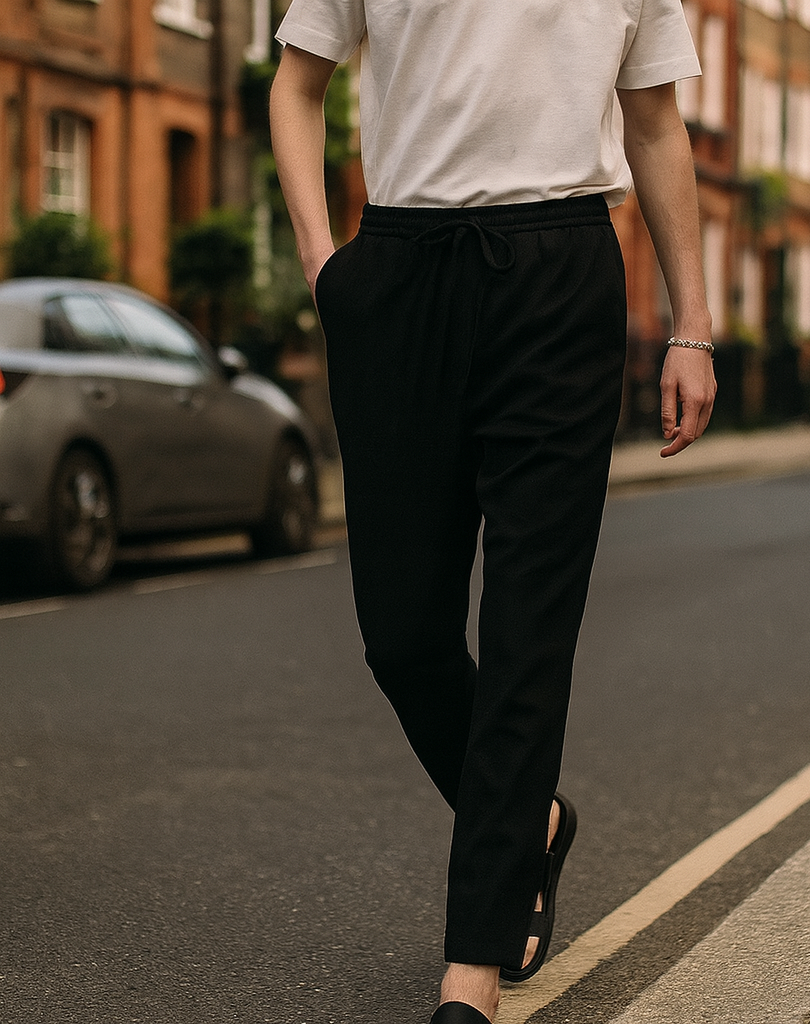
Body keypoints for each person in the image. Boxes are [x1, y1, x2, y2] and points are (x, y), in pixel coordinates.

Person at [269, 3, 716, 1021]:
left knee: (526, 632)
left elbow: (653, 121)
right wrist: (322, 264)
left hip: (559, 274)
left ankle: (470, 971)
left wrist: (691, 323)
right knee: (403, 634)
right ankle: (533, 822)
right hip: (398, 273)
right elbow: (297, 87)